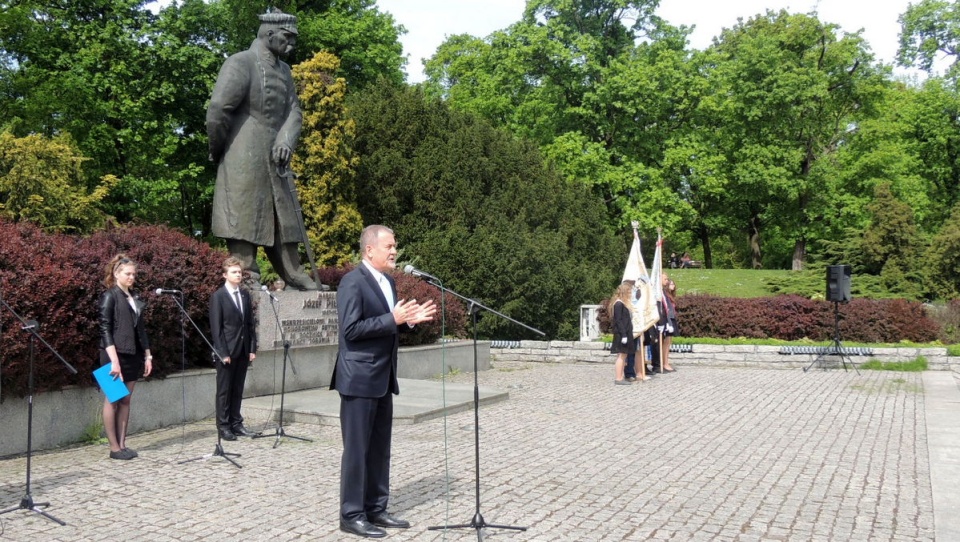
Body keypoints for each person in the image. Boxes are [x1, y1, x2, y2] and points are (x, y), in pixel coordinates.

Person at [331, 225, 437, 538]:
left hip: (382, 377)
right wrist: (393, 319)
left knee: (379, 448)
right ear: (370, 250)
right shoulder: (352, 282)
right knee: (357, 450)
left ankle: (376, 508)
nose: (394, 251)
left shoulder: (388, 281)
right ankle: (351, 514)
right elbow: (351, 330)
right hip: (358, 379)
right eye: (389, 246)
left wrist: (408, 324)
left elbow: (388, 326)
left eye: (395, 246)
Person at [206, 10, 318, 291]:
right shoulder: (240, 62)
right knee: (244, 215)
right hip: (243, 150)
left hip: (276, 154)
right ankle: (245, 273)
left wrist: (286, 139)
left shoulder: (285, 71)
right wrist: (218, 149)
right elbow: (218, 110)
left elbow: (294, 110)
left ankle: (293, 271)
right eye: (287, 38)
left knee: (283, 214)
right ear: (269, 34)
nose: (292, 46)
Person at [98, 254, 153, 460]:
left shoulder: (134, 297)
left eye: (133, 274)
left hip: (132, 354)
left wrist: (148, 355)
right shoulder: (109, 296)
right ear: (116, 273)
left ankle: (123, 444)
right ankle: (114, 448)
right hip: (112, 354)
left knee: (126, 400)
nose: (131, 277)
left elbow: (141, 330)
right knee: (113, 399)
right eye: (127, 274)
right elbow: (105, 329)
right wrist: (114, 361)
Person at [209, 256, 258, 441]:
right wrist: (222, 352)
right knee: (224, 390)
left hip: (243, 350)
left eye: (239, 272)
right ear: (225, 275)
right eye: (234, 272)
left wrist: (252, 347)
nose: (238, 275)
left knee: (237, 388)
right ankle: (223, 426)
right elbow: (216, 328)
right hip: (227, 351)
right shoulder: (218, 296)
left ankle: (236, 423)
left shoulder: (244, 295)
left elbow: (249, 323)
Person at [609, 283, 637, 385]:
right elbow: (618, 320)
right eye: (629, 292)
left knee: (624, 355)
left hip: (626, 332)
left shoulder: (623, 303)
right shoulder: (618, 304)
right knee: (621, 355)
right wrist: (624, 334)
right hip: (621, 333)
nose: (630, 294)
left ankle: (621, 376)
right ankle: (618, 377)